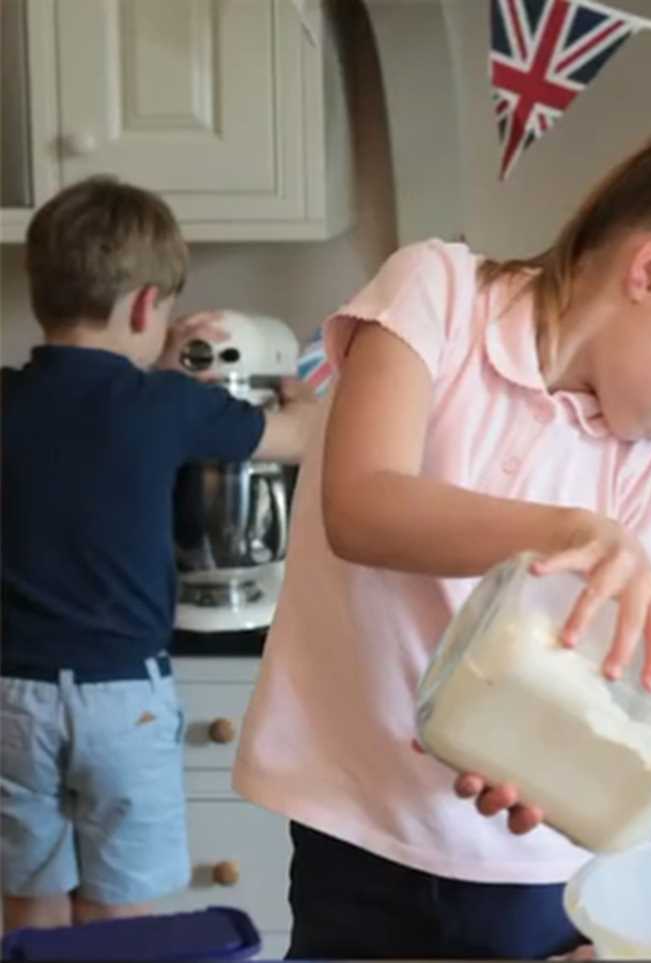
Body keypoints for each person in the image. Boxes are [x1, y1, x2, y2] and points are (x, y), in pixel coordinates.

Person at [230, 112, 651, 959]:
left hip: (531, 878)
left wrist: (539, 763)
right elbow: (362, 506)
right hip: (356, 830)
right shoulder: (436, 295)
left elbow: (610, 688)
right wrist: (574, 532)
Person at [1, 176, 316, 932]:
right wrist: (296, 390)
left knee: (27, 901)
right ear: (148, 307)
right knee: (119, 909)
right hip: (123, 701)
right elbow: (302, 436)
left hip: (12, 694)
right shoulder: (167, 405)